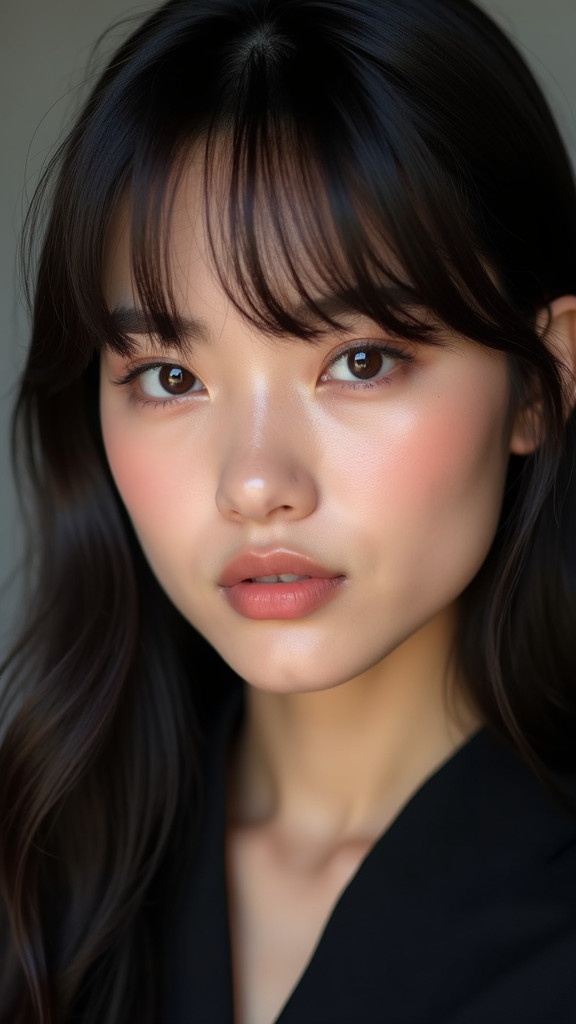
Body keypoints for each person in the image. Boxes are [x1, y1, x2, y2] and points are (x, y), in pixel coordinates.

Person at [2, 0, 576, 1020]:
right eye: (172, 377)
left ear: (543, 379)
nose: (255, 483)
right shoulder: (35, 873)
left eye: (359, 361)